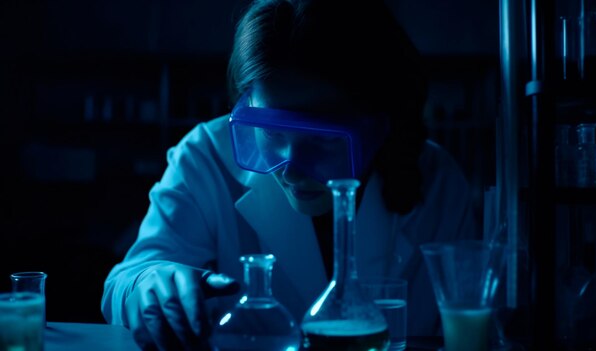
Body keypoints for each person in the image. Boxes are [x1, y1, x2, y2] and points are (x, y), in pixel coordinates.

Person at [101, 0, 479, 349]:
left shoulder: (438, 181)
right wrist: (149, 285)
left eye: (322, 136)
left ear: (380, 122)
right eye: (271, 131)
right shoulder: (205, 156)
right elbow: (126, 279)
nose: (292, 167)